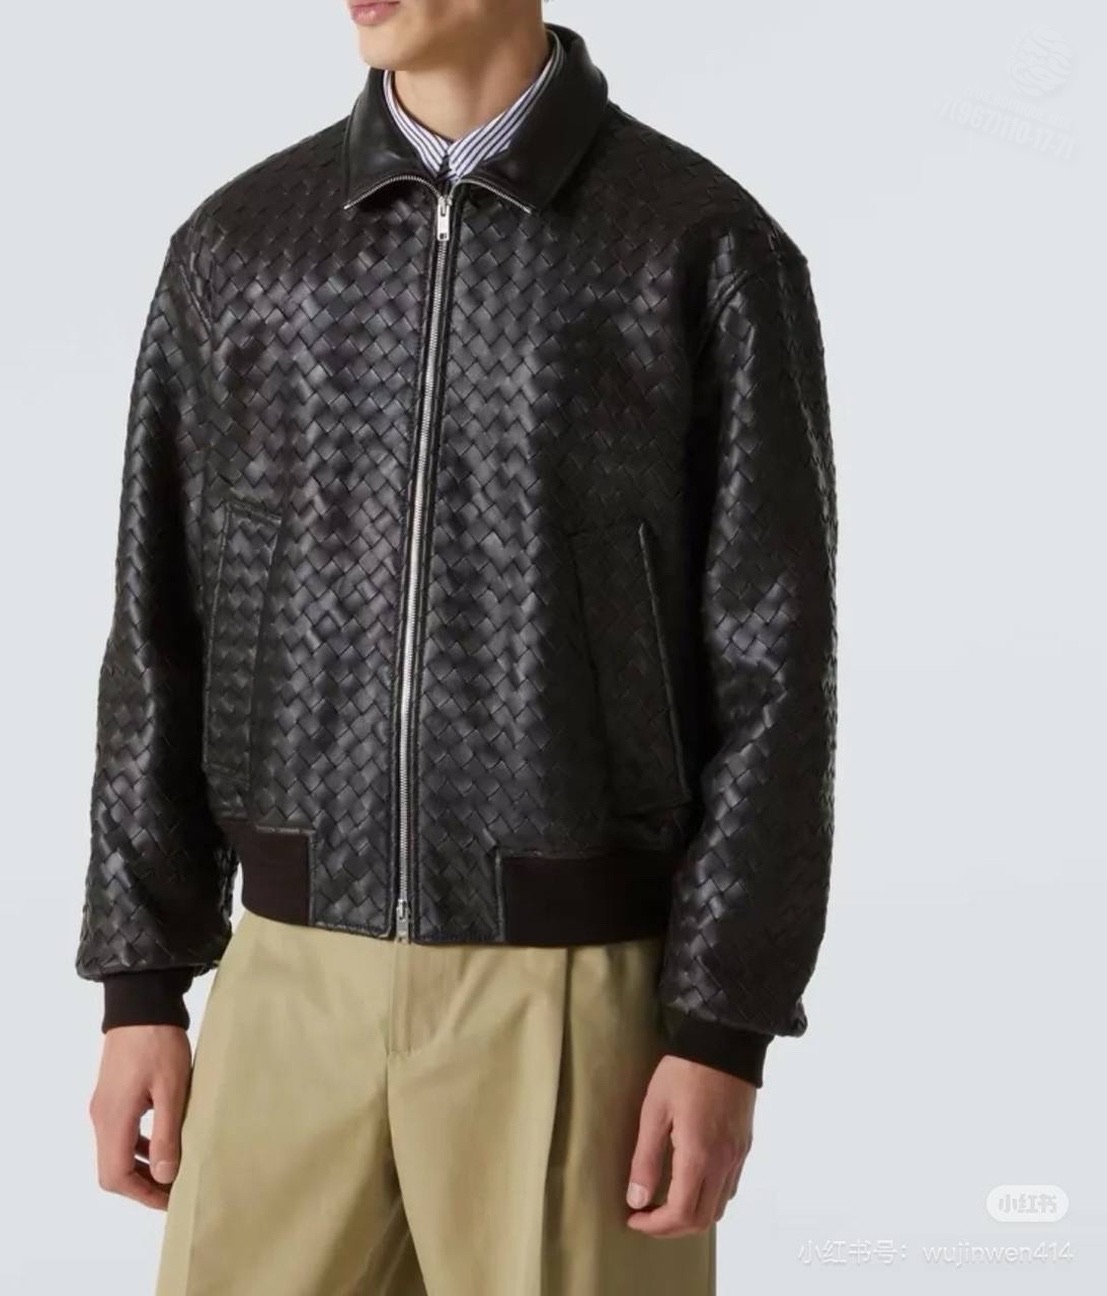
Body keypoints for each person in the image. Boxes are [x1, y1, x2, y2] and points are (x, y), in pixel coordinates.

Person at [75, 2, 838, 1292]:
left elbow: (776, 665)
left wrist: (724, 1023)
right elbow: (159, 625)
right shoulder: (244, 247)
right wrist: (140, 982)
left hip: (576, 997)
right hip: (287, 986)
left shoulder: (695, 245)